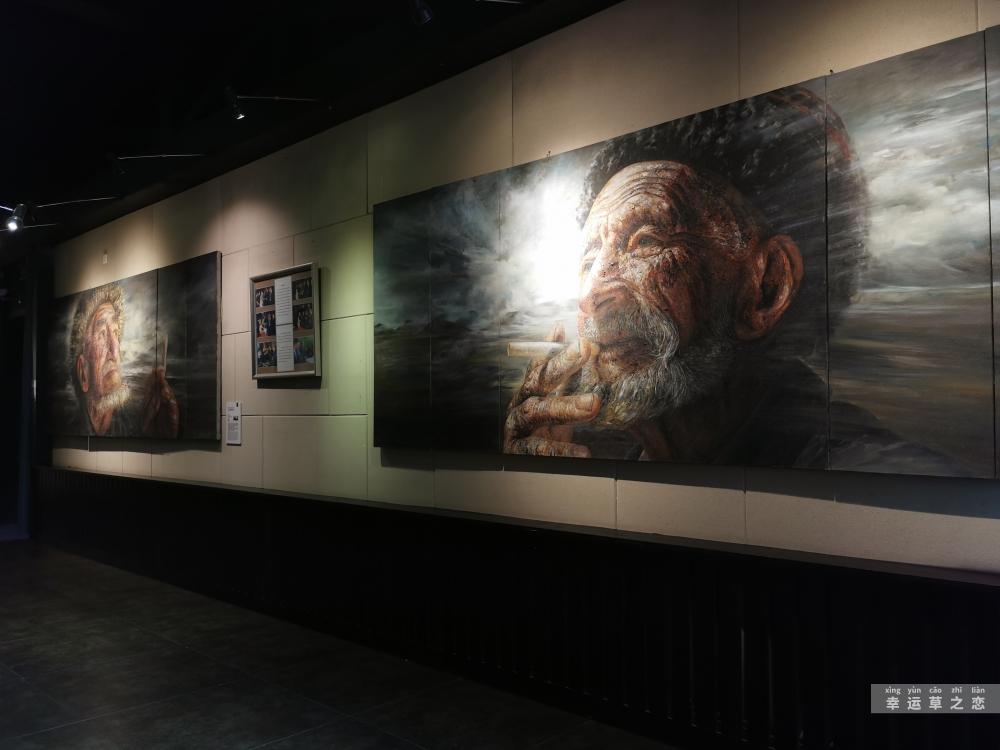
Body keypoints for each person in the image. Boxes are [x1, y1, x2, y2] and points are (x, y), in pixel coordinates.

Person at [503, 86, 957, 471]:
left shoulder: (877, 472)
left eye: (645, 242)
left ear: (768, 287)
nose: (591, 295)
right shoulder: (610, 456)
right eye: (589, 259)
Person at [69, 283, 178, 437]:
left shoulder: (133, 425)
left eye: (115, 332)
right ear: (83, 373)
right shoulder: (72, 429)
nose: (115, 350)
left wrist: (156, 434)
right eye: (102, 335)